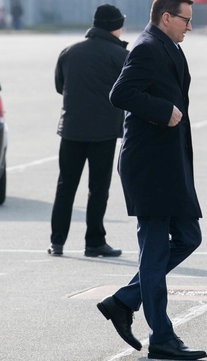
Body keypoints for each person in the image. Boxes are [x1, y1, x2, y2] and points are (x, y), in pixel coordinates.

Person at [96, 0, 207, 361]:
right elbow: (120, 93)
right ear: (166, 17)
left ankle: (124, 300)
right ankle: (162, 335)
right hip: (150, 169)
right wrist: (162, 111)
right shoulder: (146, 48)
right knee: (156, 249)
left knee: (189, 236)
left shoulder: (166, 46)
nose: (189, 27)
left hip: (169, 166)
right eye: (186, 20)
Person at [47, 4, 128, 258]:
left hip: (71, 130)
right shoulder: (120, 56)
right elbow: (127, 92)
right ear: (115, 26)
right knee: (98, 189)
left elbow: (60, 86)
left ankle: (57, 242)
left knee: (65, 186)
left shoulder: (69, 51)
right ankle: (94, 242)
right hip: (103, 133)